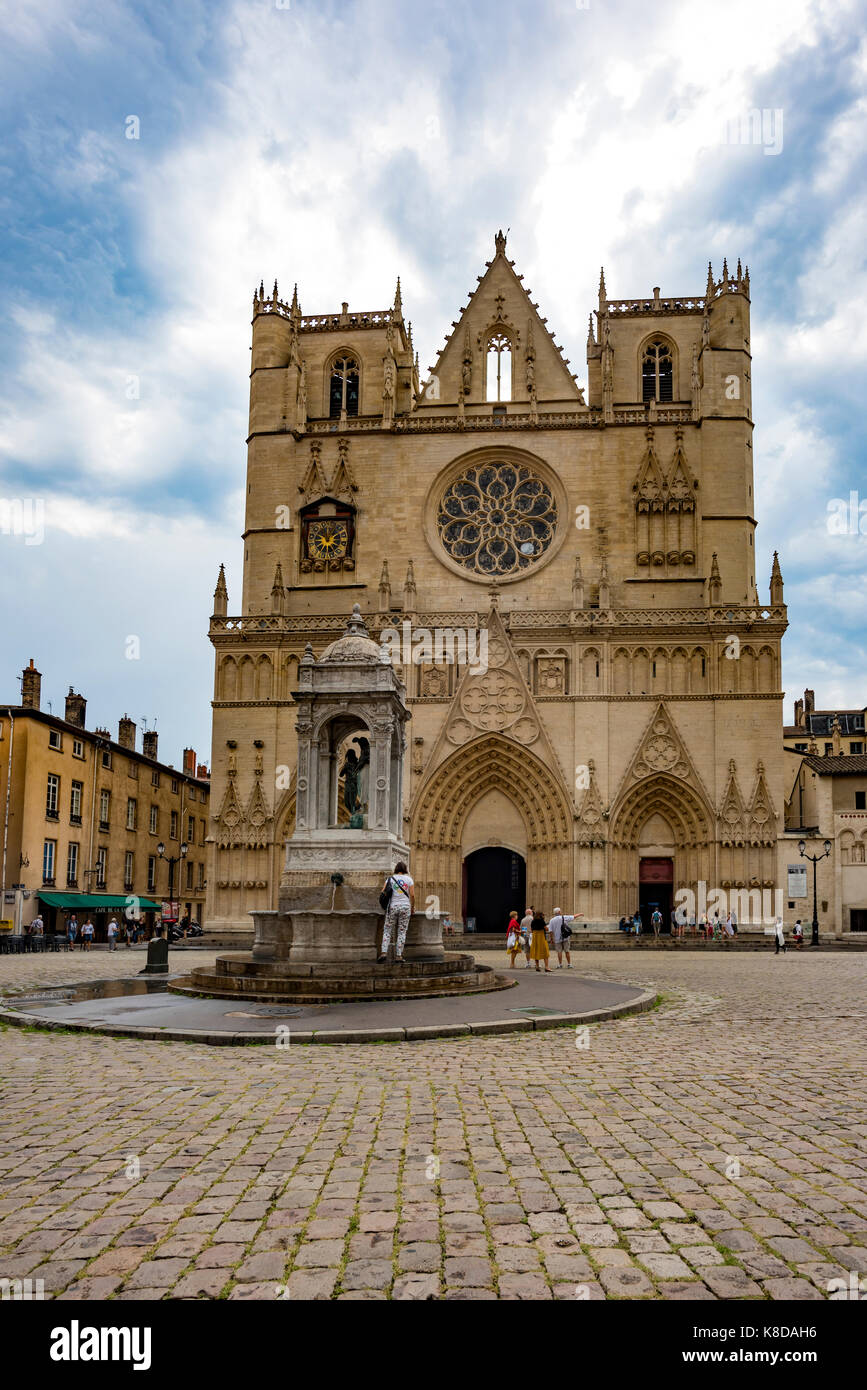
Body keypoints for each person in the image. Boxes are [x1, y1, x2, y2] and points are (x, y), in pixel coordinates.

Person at [379, 860, 414, 962]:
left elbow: (383, 892)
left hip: (393, 907)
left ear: (396, 869)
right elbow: (412, 895)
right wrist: (412, 907)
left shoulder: (390, 879)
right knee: (402, 932)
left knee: (387, 930)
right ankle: (399, 956)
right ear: (405, 869)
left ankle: (384, 953)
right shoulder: (409, 880)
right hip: (405, 907)